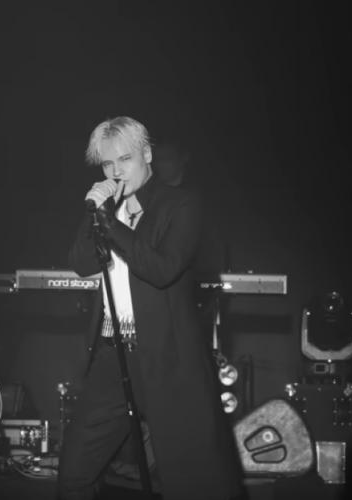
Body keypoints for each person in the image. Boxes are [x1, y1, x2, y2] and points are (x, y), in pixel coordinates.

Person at [57, 116, 245, 500]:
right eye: (107, 164)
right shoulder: (106, 208)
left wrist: (110, 224)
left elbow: (161, 269)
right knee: (74, 472)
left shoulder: (181, 204)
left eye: (124, 159)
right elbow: (81, 263)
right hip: (113, 355)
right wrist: (96, 214)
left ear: (146, 155)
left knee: (190, 482)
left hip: (166, 356)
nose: (115, 172)